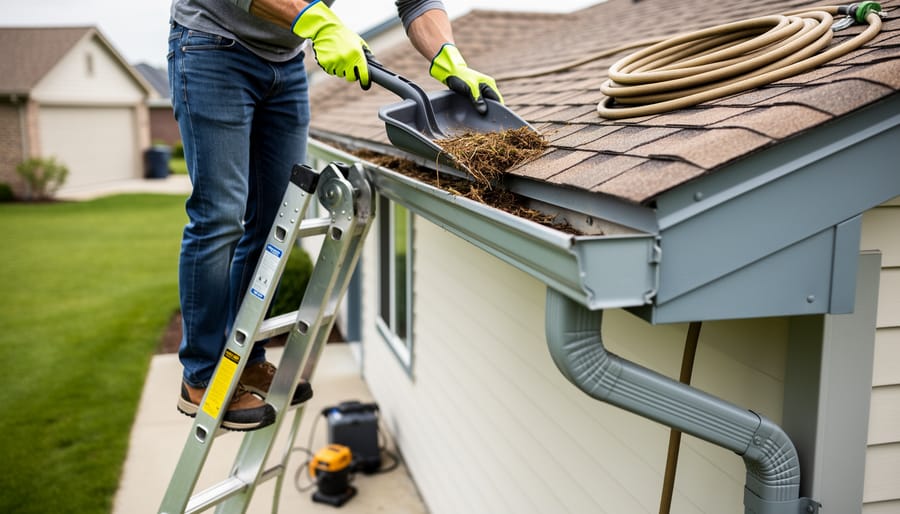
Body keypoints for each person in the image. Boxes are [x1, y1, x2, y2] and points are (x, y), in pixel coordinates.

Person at [168, 0, 504, 431]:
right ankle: (199, 377)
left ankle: (242, 357)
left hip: (286, 63)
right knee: (220, 217)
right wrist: (317, 20)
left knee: (274, 225)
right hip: (213, 46)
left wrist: (446, 54)